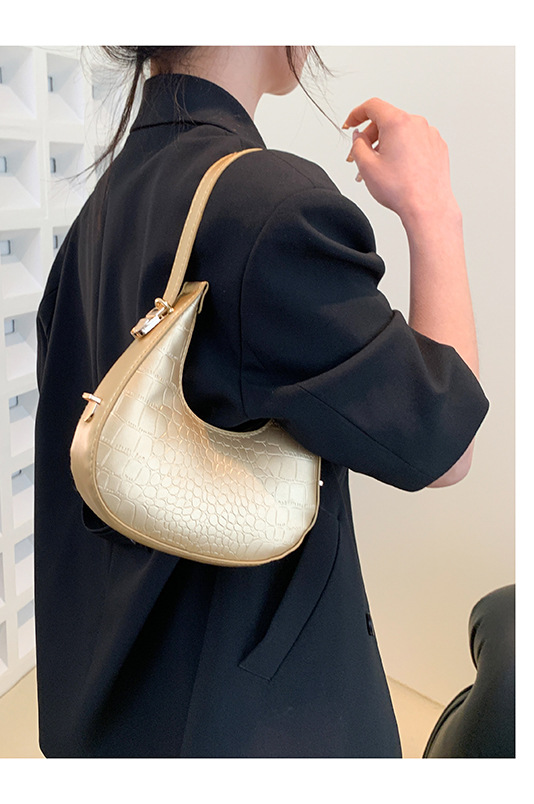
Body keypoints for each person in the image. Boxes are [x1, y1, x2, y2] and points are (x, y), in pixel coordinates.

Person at [34, 46, 488, 758]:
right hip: (252, 721)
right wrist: (434, 208)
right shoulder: (269, 208)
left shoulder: (102, 207)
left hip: (118, 696)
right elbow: (444, 443)